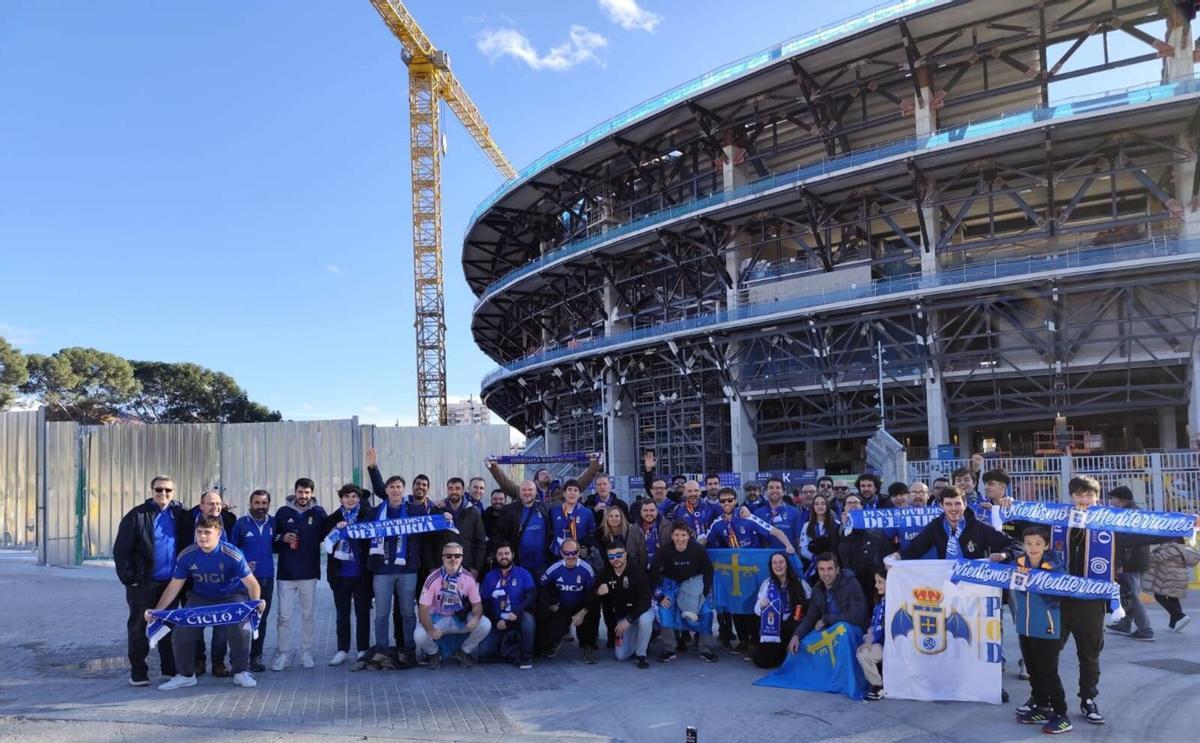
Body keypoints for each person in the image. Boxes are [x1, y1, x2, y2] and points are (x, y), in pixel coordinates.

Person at [149, 516, 265, 690]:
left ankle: (241, 672)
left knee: (240, 628)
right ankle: (186, 675)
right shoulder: (187, 555)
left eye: (207, 532)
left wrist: (256, 604)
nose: (202, 537)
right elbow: (174, 586)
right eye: (199, 532)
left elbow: (252, 584)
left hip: (231, 595)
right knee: (181, 630)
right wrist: (157, 611)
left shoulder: (232, 554)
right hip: (201, 597)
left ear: (218, 533)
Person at [364, 447, 441, 669]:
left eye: (399, 487)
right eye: (392, 487)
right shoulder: (376, 512)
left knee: (408, 613)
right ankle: (381, 649)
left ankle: (409, 649)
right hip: (382, 571)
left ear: (403, 490)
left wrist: (443, 515)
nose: (395, 490)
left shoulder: (415, 511)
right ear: (385, 490)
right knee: (381, 614)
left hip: (408, 570)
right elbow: (359, 528)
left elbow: (432, 522)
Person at [113, 475, 189, 687]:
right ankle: (139, 672)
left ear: (173, 492)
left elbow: (205, 519)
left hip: (171, 584)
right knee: (139, 627)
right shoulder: (137, 516)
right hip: (143, 584)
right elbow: (121, 551)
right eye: (159, 490)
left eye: (167, 490)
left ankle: (169, 668)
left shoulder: (180, 515)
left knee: (168, 625)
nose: (163, 494)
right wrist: (130, 579)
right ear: (151, 491)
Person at [1010, 526, 1072, 733]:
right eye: (1028, 543)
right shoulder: (1017, 564)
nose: (1033, 548)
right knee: (1033, 670)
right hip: (1024, 626)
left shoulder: (1055, 567)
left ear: (1046, 545)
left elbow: (1063, 592)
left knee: (1048, 672)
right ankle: (1041, 706)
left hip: (1047, 627)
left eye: (1038, 543)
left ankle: (1061, 714)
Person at [271, 478, 326, 672]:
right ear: (295, 492)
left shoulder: (319, 513)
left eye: (307, 493)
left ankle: (306, 652)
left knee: (307, 615)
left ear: (312, 493)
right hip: (286, 573)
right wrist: (282, 538)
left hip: (309, 573)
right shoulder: (283, 513)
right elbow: (272, 540)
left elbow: (328, 533)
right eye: (300, 492)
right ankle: (283, 654)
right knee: (283, 616)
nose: (303, 496)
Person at [414, 541, 492, 669]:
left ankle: (464, 652)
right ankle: (433, 653)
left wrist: (476, 618)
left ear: (462, 558)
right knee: (419, 635)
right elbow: (422, 610)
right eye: (448, 556)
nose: (453, 559)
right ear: (442, 558)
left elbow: (477, 605)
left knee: (485, 624)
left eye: (457, 556)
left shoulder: (468, 578)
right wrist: (431, 630)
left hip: (459, 619)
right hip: (438, 619)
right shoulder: (432, 578)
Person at [187, 489, 239, 676]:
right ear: (201, 506)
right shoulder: (188, 519)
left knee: (221, 627)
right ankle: (199, 661)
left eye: (218, 504)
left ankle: (218, 662)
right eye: (210, 504)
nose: (215, 507)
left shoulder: (230, 519)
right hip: (195, 582)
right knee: (196, 624)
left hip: (225, 584)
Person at [320, 484, 372, 667]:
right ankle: (342, 650)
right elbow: (324, 540)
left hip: (362, 575)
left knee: (362, 613)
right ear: (341, 499)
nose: (351, 499)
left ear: (359, 499)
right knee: (342, 614)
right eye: (347, 496)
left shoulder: (367, 515)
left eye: (354, 496)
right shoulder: (333, 519)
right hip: (340, 575)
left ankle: (363, 650)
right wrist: (336, 528)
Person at [897, 485, 1018, 562]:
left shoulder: (979, 527)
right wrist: (896, 557)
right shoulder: (935, 526)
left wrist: (1004, 555)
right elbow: (914, 549)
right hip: (947, 586)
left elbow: (1016, 544)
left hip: (977, 587)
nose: (953, 508)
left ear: (965, 505)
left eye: (957, 503)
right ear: (941, 506)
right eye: (948, 504)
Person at [653, 522, 718, 663]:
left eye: (683, 535)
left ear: (689, 536)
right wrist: (660, 596)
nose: (680, 539)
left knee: (706, 611)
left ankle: (705, 649)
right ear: (672, 536)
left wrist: (705, 591)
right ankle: (669, 648)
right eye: (676, 535)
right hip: (671, 584)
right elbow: (653, 574)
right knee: (664, 610)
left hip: (693, 584)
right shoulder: (663, 551)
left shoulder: (698, 549)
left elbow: (708, 569)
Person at [590, 538, 656, 668]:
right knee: (621, 656)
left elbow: (646, 601)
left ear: (625, 554)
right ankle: (641, 637)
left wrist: (629, 620)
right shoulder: (606, 573)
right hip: (623, 616)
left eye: (619, 554)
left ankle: (641, 654)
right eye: (612, 556)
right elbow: (591, 593)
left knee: (645, 620)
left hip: (640, 612)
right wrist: (598, 592)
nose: (616, 559)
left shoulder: (637, 571)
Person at [787, 553, 867, 658]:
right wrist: (796, 635)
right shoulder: (817, 588)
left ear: (837, 570)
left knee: (843, 629)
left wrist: (827, 619)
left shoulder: (851, 584)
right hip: (829, 630)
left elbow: (857, 616)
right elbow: (811, 617)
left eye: (830, 569)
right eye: (822, 569)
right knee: (802, 644)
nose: (826, 573)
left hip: (851, 631)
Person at [232, 489, 275, 672]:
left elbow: (279, 543)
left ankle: (255, 658)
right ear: (250, 504)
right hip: (244, 580)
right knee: (240, 621)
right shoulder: (241, 524)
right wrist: (244, 563)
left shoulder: (273, 522)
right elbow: (232, 549)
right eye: (257, 503)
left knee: (260, 619)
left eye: (264, 503)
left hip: (266, 577)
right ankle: (236, 660)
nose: (260, 507)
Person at [1105, 486, 1154, 640]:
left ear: (1120, 500)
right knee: (1127, 594)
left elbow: (1123, 543)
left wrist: (1119, 563)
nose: (1111, 502)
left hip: (1129, 562)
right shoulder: (1136, 512)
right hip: (1138, 561)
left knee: (1130, 596)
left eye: (1112, 498)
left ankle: (1145, 630)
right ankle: (1125, 624)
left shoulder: (1126, 516)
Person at [478, 542, 537, 669]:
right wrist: (496, 619)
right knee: (483, 652)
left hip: (516, 617)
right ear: (496, 557)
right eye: (500, 554)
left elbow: (532, 595)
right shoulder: (490, 576)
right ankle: (510, 651)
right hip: (498, 621)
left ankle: (526, 655)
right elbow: (484, 602)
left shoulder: (523, 573)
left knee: (529, 619)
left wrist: (517, 612)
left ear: (513, 555)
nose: (503, 556)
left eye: (506, 553)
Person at [752, 551, 810, 669]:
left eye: (781, 562)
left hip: (794, 625)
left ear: (787, 564)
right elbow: (757, 611)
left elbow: (810, 603)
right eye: (775, 563)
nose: (778, 565)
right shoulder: (767, 584)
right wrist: (761, 605)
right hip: (774, 627)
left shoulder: (800, 583)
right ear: (771, 566)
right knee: (763, 661)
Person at [539, 538, 595, 657]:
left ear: (579, 552)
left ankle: (588, 645)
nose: (570, 556)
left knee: (591, 615)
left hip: (580, 605)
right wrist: (551, 603)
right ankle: (554, 641)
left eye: (574, 552)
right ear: (561, 553)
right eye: (567, 553)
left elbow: (592, 593)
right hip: (562, 605)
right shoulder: (554, 568)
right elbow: (542, 586)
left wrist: (584, 610)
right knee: (551, 628)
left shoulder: (587, 569)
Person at [494, 479, 554, 579]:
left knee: (542, 593)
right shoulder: (508, 511)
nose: (527, 492)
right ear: (519, 492)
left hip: (542, 565)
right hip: (518, 565)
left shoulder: (546, 509)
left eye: (530, 490)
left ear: (535, 492)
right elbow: (500, 536)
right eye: (524, 490)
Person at [487, 452, 602, 504]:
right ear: (536, 481)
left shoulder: (561, 492)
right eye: (543, 474)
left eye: (548, 473)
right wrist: (493, 467)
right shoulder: (527, 493)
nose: (547, 474)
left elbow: (581, 482)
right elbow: (506, 484)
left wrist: (595, 465)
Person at [836, 494, 887, 603]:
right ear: (844, 508)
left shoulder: (872, 529)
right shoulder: (838, 530)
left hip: (868, 580)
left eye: (856, 502)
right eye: (849, 503)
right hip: (845, 580)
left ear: (862, 507)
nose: (852, 505)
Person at [1144, 537, 1199, 632]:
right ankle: (1172, 625)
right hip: (1179, 576)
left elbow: (1158, 558)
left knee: (1159, 596)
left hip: (1171, 577)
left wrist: (1144, 555)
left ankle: (1180, 616)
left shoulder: (1172, 548)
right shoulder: (1182, 548)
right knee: (1173, 599)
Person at [442, 477, 487, 577]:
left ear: (463, 491)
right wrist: (432, 567)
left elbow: (480, 543)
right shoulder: (437, 511)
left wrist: (476, 568)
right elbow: (429, 541)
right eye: (450, 488)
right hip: (442, 568)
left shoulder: (474, 512)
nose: (454, 491)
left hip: (466, 568)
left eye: (457, 488)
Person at [752, 477, 803, 552]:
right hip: (764, 558)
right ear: (765, 491)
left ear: (783, 491)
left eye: (778, 488)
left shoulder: (794, 512)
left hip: (787, 558)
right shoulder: (758, 513)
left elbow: (799, 539)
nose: (774, 490)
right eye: (771, 488)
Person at [551, 479, 597, 559]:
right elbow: (550, 533)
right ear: (564, 494)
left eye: (575, 490)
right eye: (569, 490)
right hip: (558, 556)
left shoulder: (587, 513)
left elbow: (592, 535)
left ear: (579, 495)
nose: (572, 493)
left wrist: (587, 548)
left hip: (578, 556)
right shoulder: (554, 511)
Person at [596, 505, 647, 576]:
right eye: (611, 516)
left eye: (617, 516)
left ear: (621, 518)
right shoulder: (600, 534)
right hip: (610, 569)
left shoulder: (631, 531)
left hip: (631, 568)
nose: (614, 518)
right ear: (607, 518)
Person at [800, 494, 839, 571]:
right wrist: (815, 558)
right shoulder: (807, 525)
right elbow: (803, 549)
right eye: (816, 504)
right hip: (813, 565)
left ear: (827, 506)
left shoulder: (837, 524)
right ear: (813, 507)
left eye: (823, 503)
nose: (819, 506)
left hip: (832, 564)